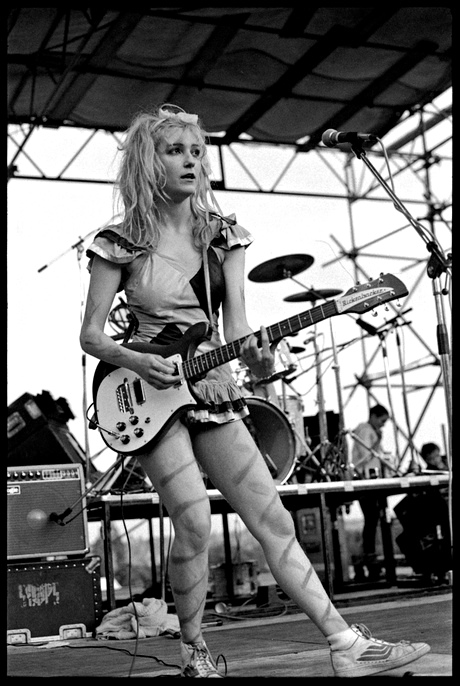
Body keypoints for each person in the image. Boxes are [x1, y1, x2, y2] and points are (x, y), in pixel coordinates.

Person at [80, 104, 430, 678]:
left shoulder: (221, 236)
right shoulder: (119, 243)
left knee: (273, 518)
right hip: (145, 391)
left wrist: (259, 350)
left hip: (211, 385)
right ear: (148, 161)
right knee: (192, 519)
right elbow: (92, 336)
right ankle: (194, 651)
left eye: (197, 151)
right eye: (175, 151)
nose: (191, 161)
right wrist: (139, 361)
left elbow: (237, 327)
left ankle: (345, 644)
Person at [350, 404, 393, 582]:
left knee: (375, 519)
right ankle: (368, 555)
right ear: (374, 416)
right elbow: (367, 454)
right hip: (365, 479)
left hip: (373, 479)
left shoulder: (370, 431)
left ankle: (369, 554)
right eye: (382, 421)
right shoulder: (364, 430)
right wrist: (377, 441)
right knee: (371, 519)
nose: (382, 425)